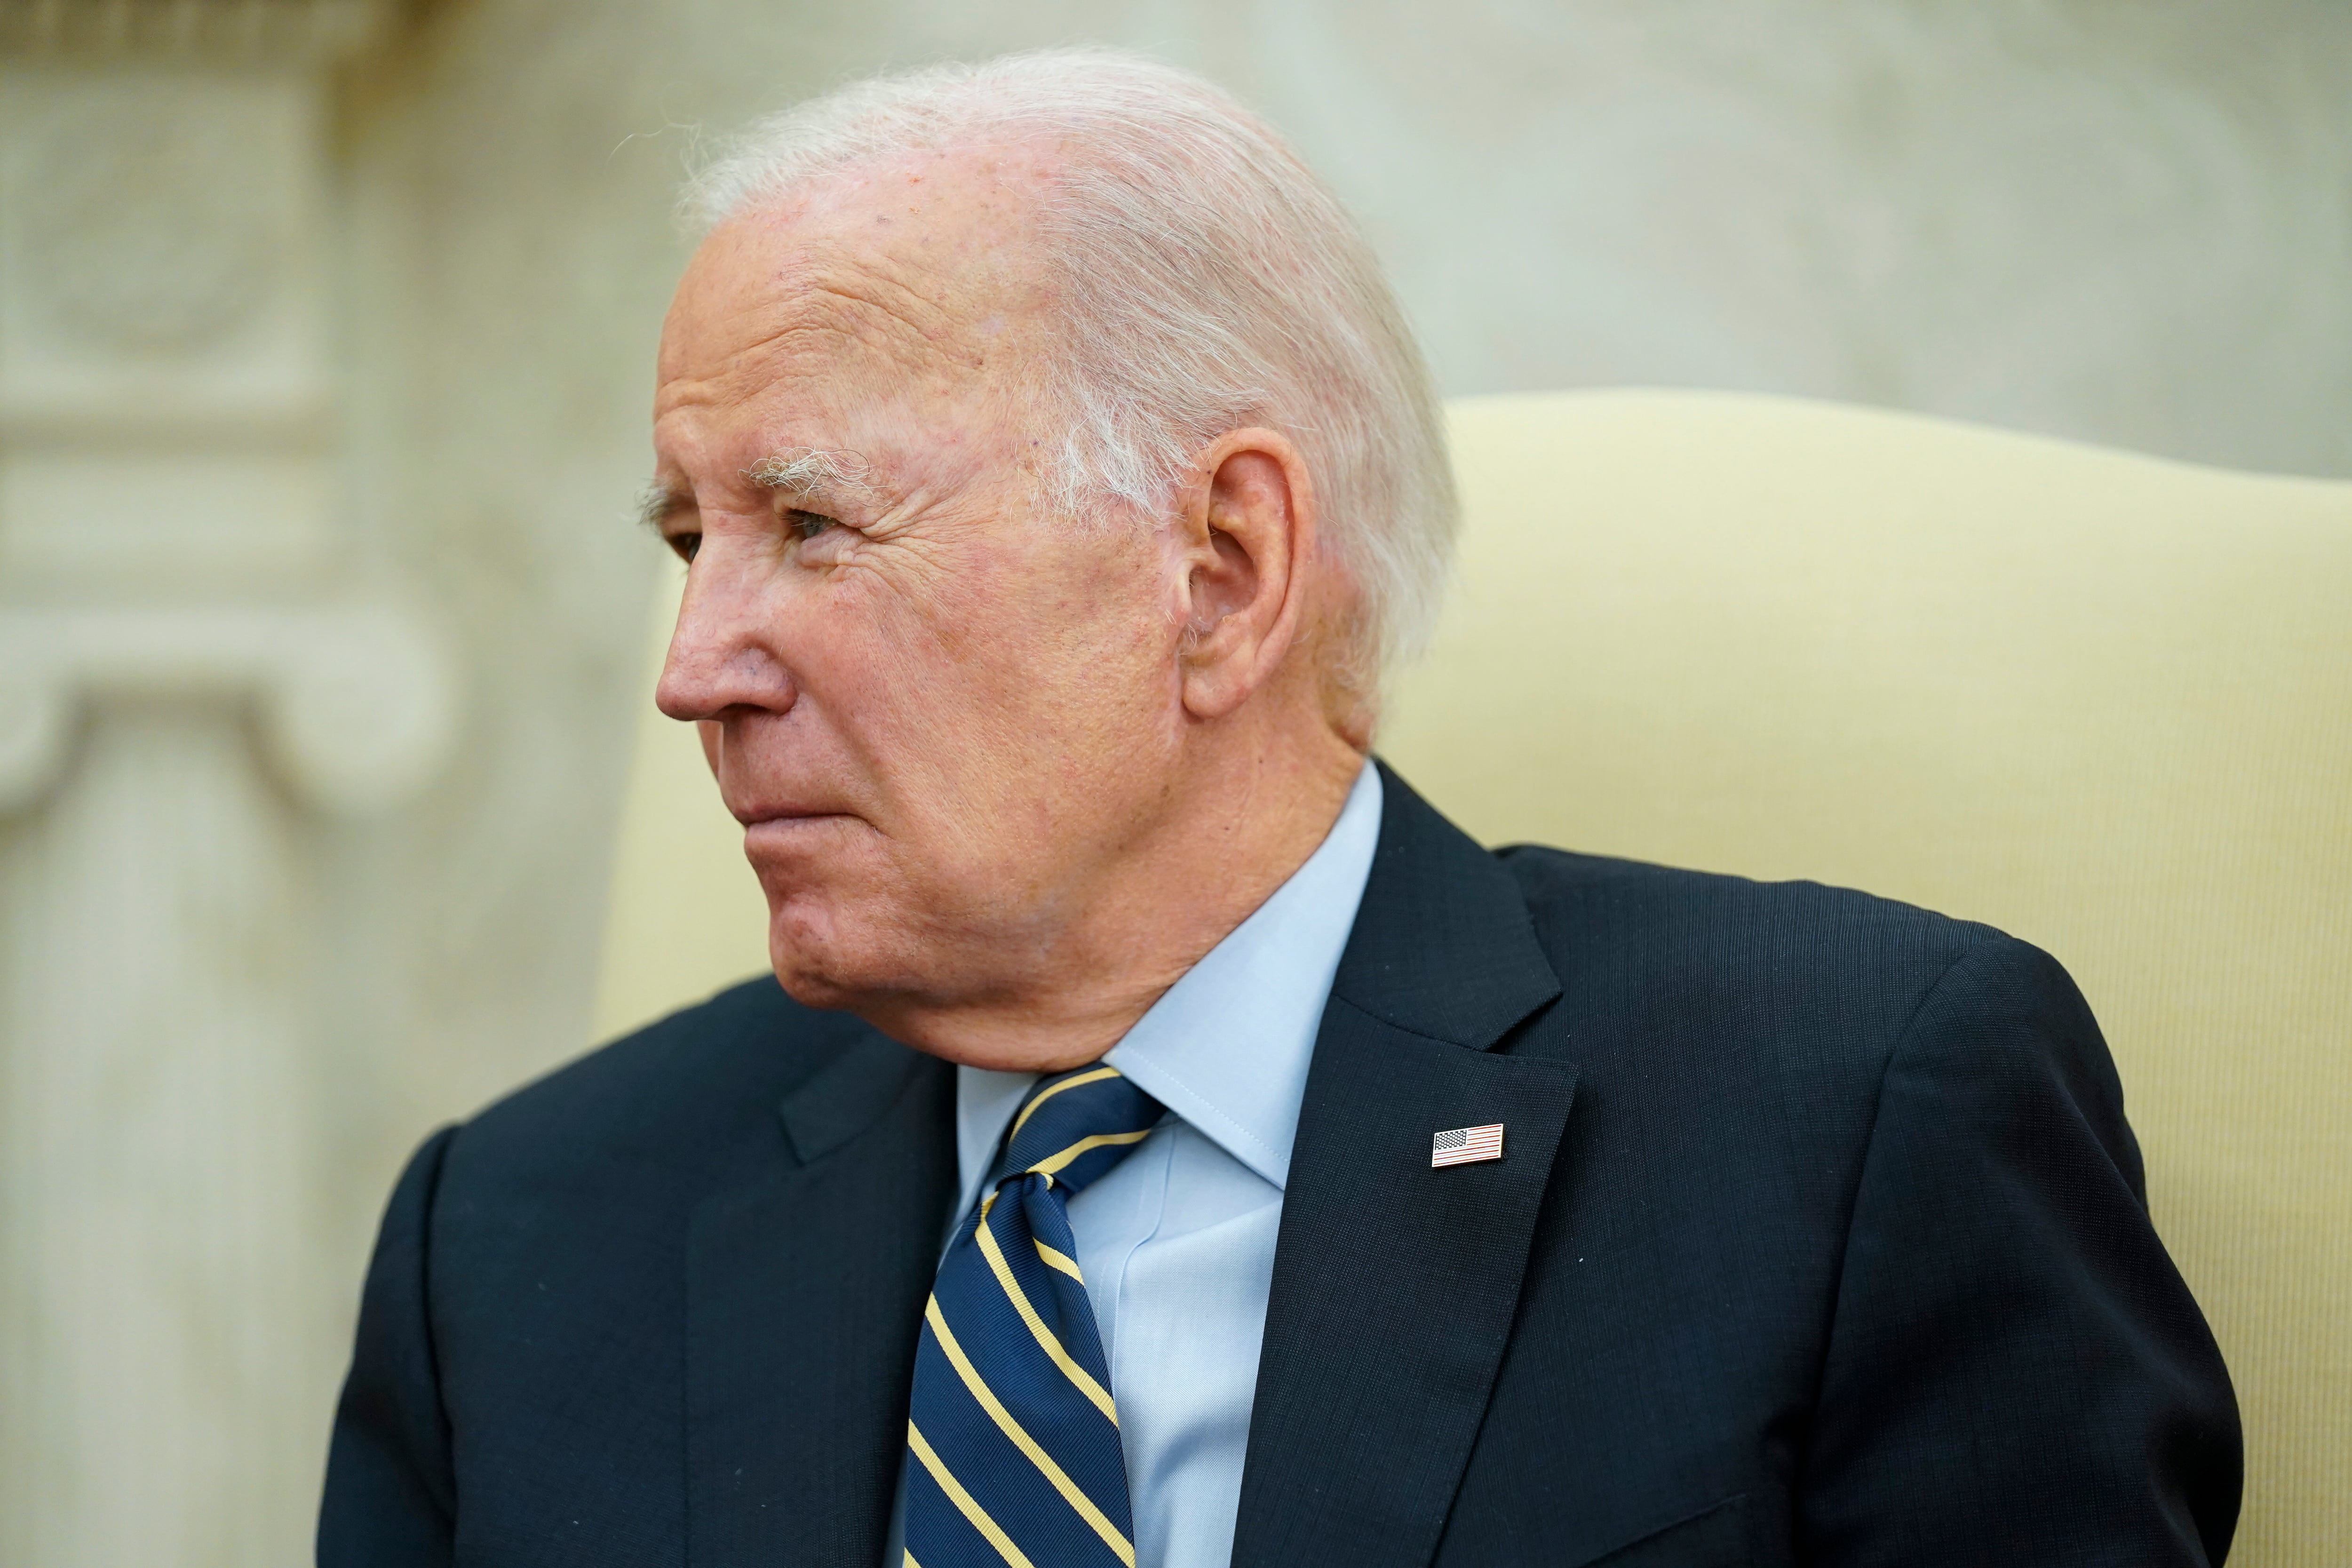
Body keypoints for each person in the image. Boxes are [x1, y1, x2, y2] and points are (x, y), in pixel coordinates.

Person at [318, 47, 2240, 1568]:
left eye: (813, 527)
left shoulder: (1846, 1122)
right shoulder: (515, 1240)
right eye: (690, 539)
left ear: (1222, 567)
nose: (696, 662)